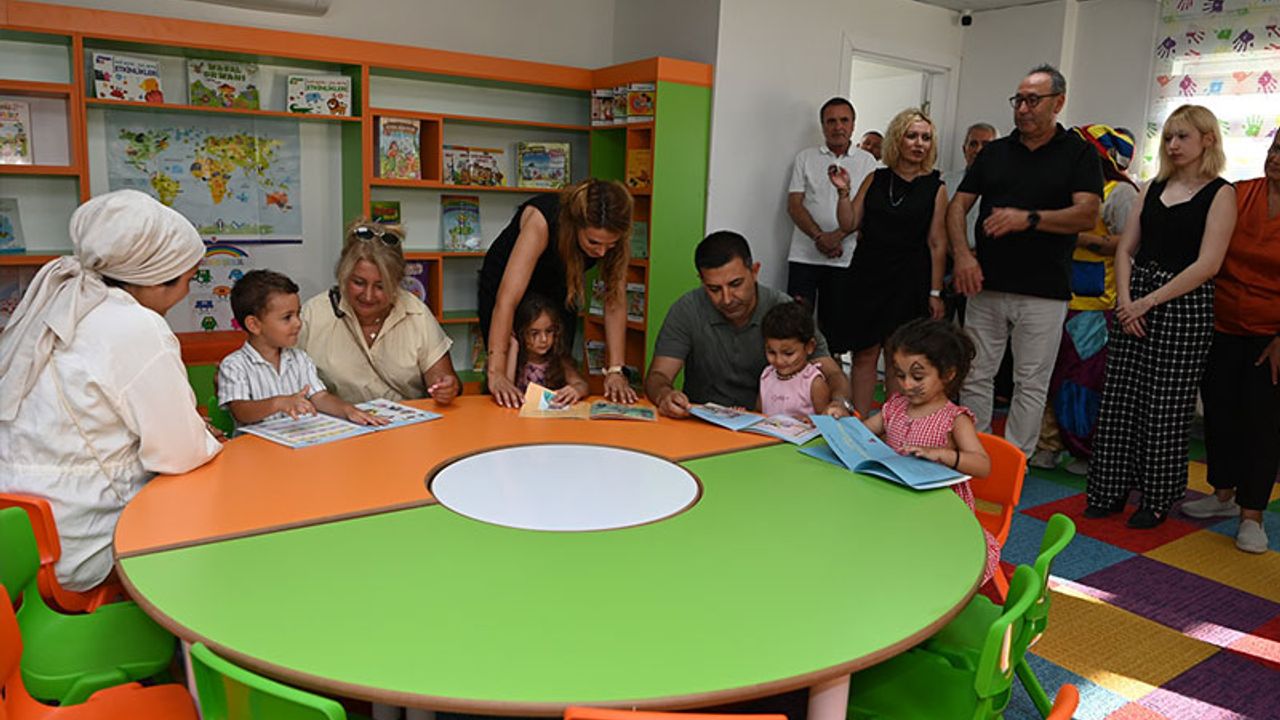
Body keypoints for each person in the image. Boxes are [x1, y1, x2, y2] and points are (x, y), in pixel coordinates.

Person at [0, 189, 222, 592]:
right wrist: (202, 436)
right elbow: (180, 454)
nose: (187, 293)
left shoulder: (57, 303)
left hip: (19, 539)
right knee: (216, 536)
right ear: (156, 279)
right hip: (82, 545)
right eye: (188, 280)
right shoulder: (134, 326)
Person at [1086, 104, 1236, 529]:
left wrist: (1146, 302)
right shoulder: (1152, 187)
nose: (1173, 145)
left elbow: (1208, 264)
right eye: (1168, 136)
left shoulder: (1221, 193)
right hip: (1134, 301)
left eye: (1183, 136)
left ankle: (1156, 497)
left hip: (1183, 305)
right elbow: (1125, 249)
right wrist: (1125, 301)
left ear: (1208, 139)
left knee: (1165, 408)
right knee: (1119, 401)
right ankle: (1109, 489)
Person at [946, 64, 1104, 460]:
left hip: (1044, 290)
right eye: (1018, 100)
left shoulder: (1079, 153)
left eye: (1033, 100)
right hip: (985, 284)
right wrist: (963, 255)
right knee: (975, 375)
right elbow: (957, 206)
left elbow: (1086, 214)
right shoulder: (995, 152)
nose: (1022, 109)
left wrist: (1029, 219)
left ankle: (1015, 462)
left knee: (1030, 382)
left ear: (1058, 103)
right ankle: (975, 455)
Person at [1182, 134, 1280, 552]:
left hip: (1270, 335)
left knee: (1262, 424)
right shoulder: (1238, 194)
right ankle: (1222, 493)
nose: (1276, 158)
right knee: (1219, 413)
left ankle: (1252, 515)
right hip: (1219, 324)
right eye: (1275, 149)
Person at [645, 231, 853, 419]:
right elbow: (658, 375)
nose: (727, 299)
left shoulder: (783, 310)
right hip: (701, 424)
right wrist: (665, 395)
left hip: (765, 427)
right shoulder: (687, 310)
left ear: (754, 271)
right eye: (714, 289)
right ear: (701, 281)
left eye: (735, 284)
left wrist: (838, 402)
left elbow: (832, 373)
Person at [1029, 125, 1139, 475]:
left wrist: (1077, 236)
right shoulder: (1066, 189)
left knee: (1083, 380)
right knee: (1047, 374)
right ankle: (1047, 444)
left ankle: (1084, 449)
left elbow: (1130, 243)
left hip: (1095, 304)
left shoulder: (1120, 193)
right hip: (1054, 294)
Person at [860, 318, 1000, 584]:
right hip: (897, 499)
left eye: (917, 376)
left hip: (938, 511)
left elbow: (983, 466)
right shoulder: (895, 407)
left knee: (919, 562)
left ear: (947, 374)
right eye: (900, 375)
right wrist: (840, 423)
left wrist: (943, 455)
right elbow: (861, 433)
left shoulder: (954, 418)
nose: (906, 385)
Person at [829, 107, 948, 417]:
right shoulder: (876, 178)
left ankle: (892, 427)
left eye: (926, 138)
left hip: (910, 280)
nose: (919, 143)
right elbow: (849, 222)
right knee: (864, 354)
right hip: (868, 275)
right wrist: (843, 193)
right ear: (898, 139)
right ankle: (858, 424)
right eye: (912, 136)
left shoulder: (936, 187)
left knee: (900, 358)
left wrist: (936, 292)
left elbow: (937, 242)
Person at [478, 178, 637, 408]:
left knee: (557, 359)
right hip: (506, 283)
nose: (602, 252)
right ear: (576, 225)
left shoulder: (613, 240)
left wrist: (615, 371)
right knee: (509, 369)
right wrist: (497, 374)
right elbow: (507, 300)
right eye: (594, 242)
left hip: (559, 283)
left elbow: (614, 300)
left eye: (610, 245)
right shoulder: (542, 220)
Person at [299, 220, 460, 405]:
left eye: (380, 286)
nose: (368, 296)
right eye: (358, 283)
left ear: (397, 282)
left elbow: (442, 379)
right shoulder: (314, 314)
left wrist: (445, 388)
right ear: (343, 275)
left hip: (405, 420)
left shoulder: (416, 313)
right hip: (336, 419)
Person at [218, 269, 385, 428]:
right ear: (254, 325)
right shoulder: (234, 365)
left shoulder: (300, 359)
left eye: (298, 314)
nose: (298, 323)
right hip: (256, 446)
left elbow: (320, 397)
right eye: (287, 317)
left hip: (298, 441)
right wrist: (278, 403)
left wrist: (348, 410)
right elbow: (240, 411)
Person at [785, 97, 878, 341]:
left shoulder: (868, 162)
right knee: (796, 324)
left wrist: (836, 237)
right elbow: (794, 205)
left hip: (845, 258)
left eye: (844, 120)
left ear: (853, 124)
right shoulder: (805, 158)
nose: (838, 127)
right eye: (831, 121)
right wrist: (819, 237)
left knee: (836, 330)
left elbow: (867, 209)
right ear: (823, 125)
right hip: (804, 256)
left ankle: (831, 365)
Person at [941, 122, 998, 323]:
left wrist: (976, 256)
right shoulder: (945, 182)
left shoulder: (1004, 185)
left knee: (976, 330)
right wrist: (959, 254)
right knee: (940, 331)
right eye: (973, 144)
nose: (978, 150)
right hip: (948, 261)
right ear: (964, 149)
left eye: (986, 144)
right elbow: (937, 226)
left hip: (987, 265)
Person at [506, 292, 589, 406]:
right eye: (535, 333)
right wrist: (513, 348)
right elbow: (507, 389)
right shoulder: (514, 361)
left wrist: (576, 390)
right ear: (521, 334)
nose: (544, 339)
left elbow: (582, 385)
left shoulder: (559, 359)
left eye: (549, 331)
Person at [759, 300, 830, 418]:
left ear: (809, 347)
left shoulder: (813, 383)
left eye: (788, 353)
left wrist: (810, 422)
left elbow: (826, 421)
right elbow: (758, 413)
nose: (779, 361)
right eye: (771, 352)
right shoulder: (767, 376)